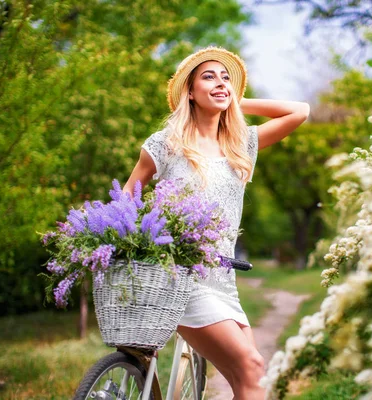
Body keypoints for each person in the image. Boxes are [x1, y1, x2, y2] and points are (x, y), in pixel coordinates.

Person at [123, 46, 309, 399]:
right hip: (180, 275)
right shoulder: (166, 143)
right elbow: (127, 196)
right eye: (209, 77)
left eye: (226, 78)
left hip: (223, 279)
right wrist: (134, 245)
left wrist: (236, 100)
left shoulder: (241, 144)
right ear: (189, 91)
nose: (220, 83)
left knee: (252, 379)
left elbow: (300, 111)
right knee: (251, 367)